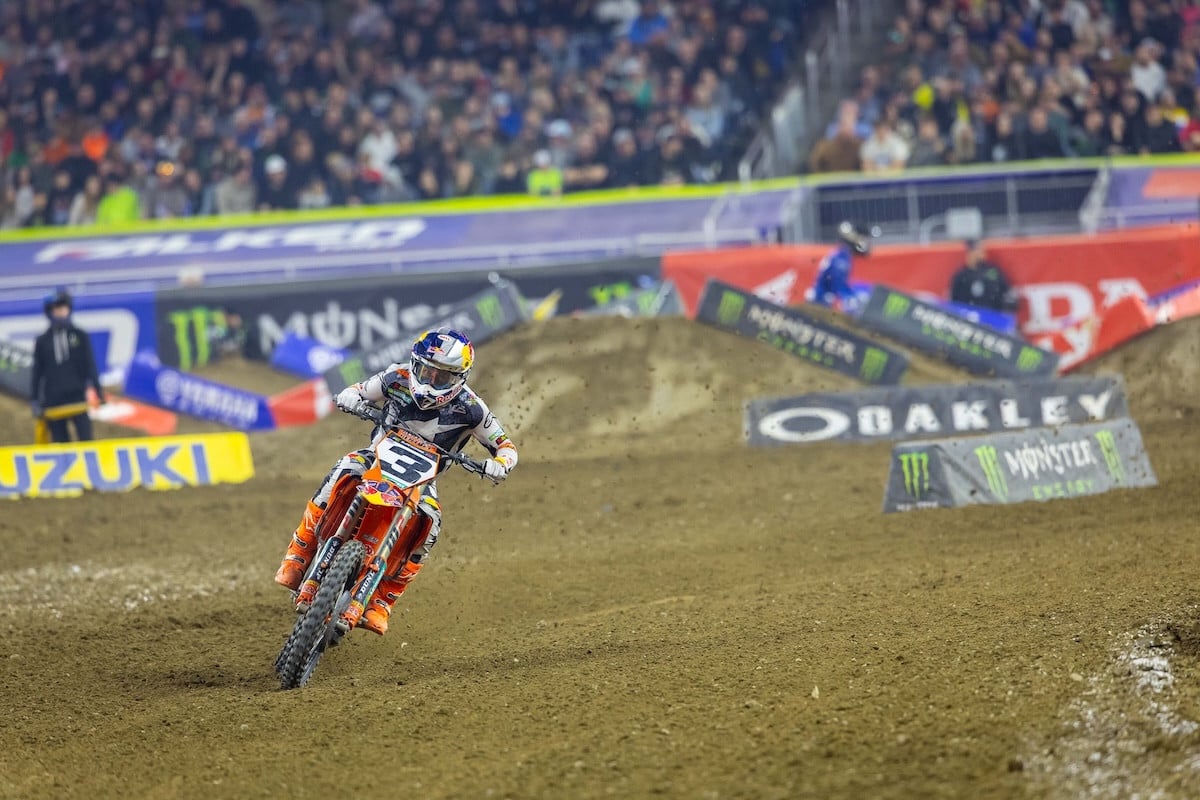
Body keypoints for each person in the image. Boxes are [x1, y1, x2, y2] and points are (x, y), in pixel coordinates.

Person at [274, 328, 518, 636]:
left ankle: (382, 600)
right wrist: (351, 397)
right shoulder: (396, 377)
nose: (431, 380)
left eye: (441, 377)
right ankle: (299, 553)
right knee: (344, 468)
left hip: (421, 482)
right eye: (426, 371)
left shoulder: (473, 409)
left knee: (431, 522)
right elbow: (360, 390)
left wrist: (499, 465)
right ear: (415, 364)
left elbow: (506, 447)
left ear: (459, 377)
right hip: (375, 460)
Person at [30, 288, 106, 443]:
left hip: (77, 396)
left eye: (63, 308)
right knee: (60, 442)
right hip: (53, 399)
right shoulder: (43, 341)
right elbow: (37, 371)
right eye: (56, 308)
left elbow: (89, 364)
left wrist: (98, 392)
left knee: (86, 439)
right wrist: (35, 400)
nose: (60, 312)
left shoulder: (80, 335)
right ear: (50, 312)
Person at [808, 221, 874, 313]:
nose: (867, 243)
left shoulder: (842, 254)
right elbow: (839, 286)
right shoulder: (841, 258)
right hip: (821, 307)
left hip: (822, 303)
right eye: (864, 239)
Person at [949, 240, 1019, 313]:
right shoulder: (961, 276)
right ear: (970, 253)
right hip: (970, 316)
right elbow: (954, 302)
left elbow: (1006, 290)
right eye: (977, 250)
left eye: (982, 250)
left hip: (993, 315)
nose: (981, 253)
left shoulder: (991, 271)